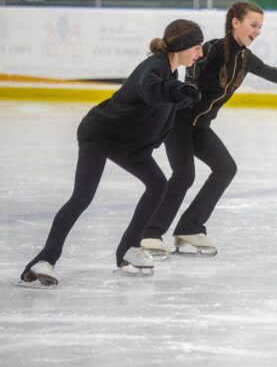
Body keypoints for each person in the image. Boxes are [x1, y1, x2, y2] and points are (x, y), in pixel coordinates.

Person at [141, 2, 277, 257]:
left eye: (260, 27)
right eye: (254, 25)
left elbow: (274, 73)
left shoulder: (245, 58)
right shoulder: (212, 48)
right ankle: (150, 233)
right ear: (236, 22)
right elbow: (193, 67)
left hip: (200, 127)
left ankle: (190, 227)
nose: (258, 31)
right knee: (184, 176)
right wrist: (190, 86)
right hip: (179, 122)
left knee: (225, 168)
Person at [19, 20, 205, 287]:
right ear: (182, 46)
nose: (199, 54)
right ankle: (44, 260)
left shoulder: (171, 72)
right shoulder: (154, 67)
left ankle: (128, 250)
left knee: (157, 184)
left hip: (128, 144)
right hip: (100, 135)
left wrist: (183, 97)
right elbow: (150, 89)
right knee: (82, 197)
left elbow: (160, 110)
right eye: (196, 48)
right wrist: (176, 92)